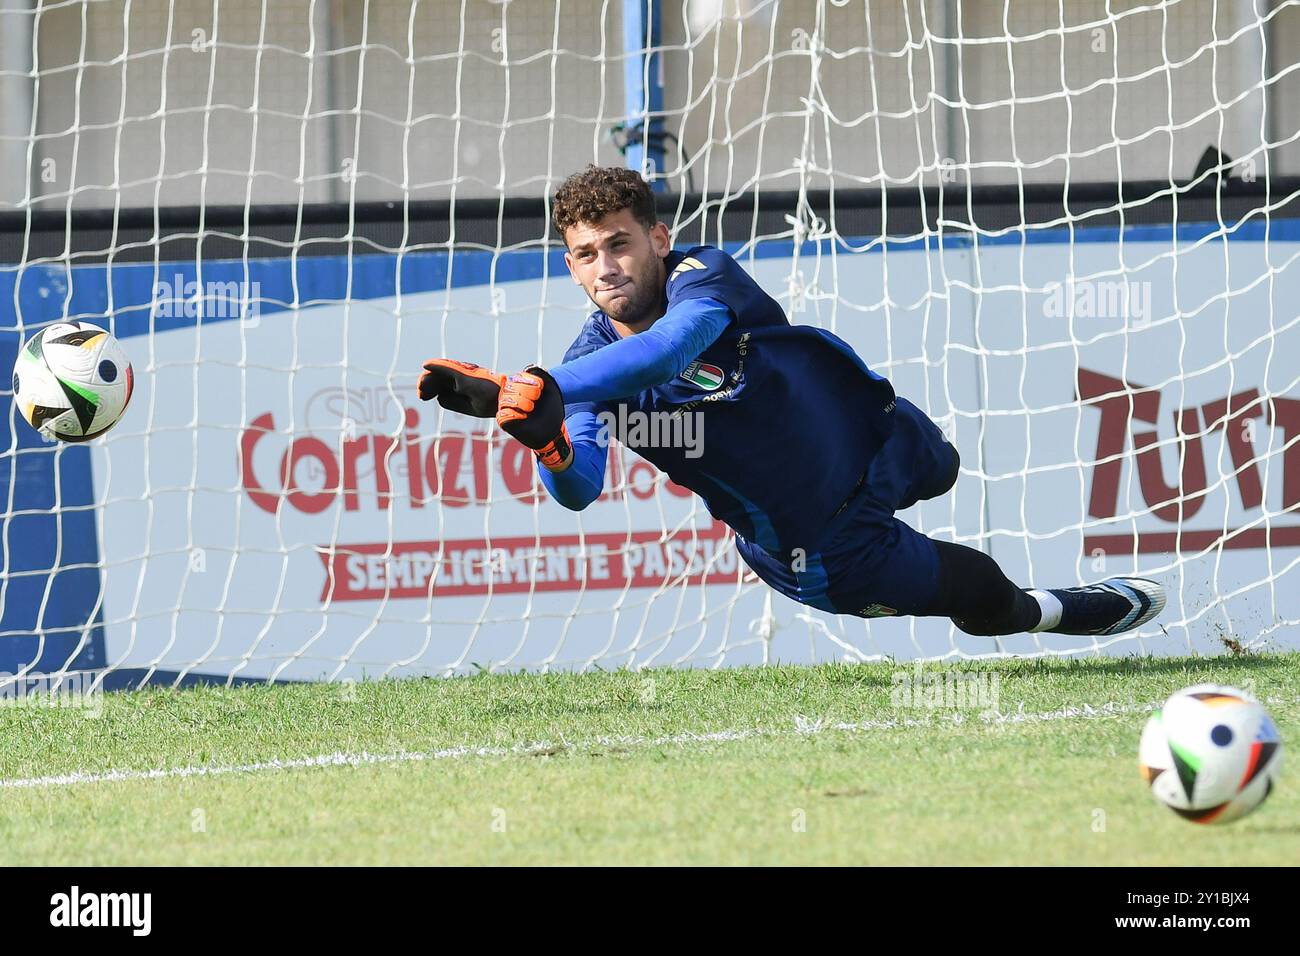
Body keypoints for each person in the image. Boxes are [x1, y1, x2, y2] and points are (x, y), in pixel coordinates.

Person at [418, 165, 1164, 637]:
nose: (606, 267)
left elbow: (674, 348)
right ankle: (1054, 612)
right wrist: (543, 433)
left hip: (872, 436)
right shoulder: (582, 371)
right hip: (817, 541)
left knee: (946, 467)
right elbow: (578, 488)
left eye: (618, 244)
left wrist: (534, 386)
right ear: (571, 266)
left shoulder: (702, 276)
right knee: (981, 592)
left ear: (657, 237)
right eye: (586, 254)